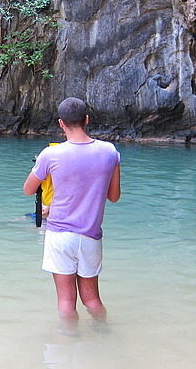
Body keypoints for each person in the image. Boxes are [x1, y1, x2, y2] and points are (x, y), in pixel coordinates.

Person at [23, 97, 121, 332]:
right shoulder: (110, 152)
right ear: (87, 120)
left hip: (60, 235)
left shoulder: (50, 154)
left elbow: (28, 190)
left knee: (66, 302)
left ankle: (69, 344)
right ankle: (104, 334)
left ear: (61, 123)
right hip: (90, 236)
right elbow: (114, 196)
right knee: (92, 300)